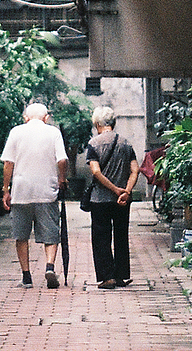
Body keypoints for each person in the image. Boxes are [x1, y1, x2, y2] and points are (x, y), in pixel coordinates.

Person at [1, 102, 68, 289]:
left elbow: (8, 163)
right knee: (51, 233)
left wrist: (6, 189)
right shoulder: (53, 132)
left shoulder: (16, 132)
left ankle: (26, 276)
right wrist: (62, 179)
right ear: (46, 118)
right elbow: (62, 160)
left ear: (26, 118)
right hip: (47, 191)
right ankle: (49, 267)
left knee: (21, 235)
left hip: (21, 191)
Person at [85, 106, 139, 289]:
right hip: (122, 200)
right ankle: (121, 276)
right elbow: (135, 170)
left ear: (97, 124)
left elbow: (95, 171)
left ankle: (107, 277)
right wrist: (126, 191)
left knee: (101, 236)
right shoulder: (126, 143)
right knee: (121, 235)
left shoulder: (94, 144)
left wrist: (114, 189)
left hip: (100, 199)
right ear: (113, 123)